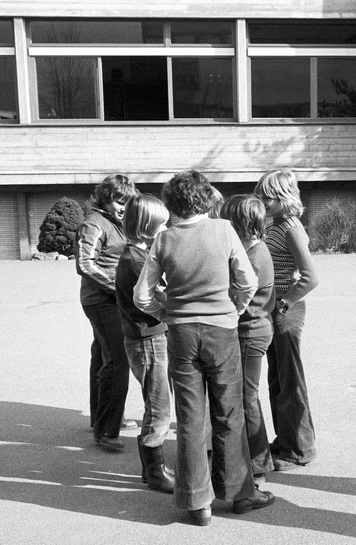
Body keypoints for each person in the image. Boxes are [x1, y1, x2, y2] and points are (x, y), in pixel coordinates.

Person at [133, 170, 274, 526]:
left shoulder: (163, 239)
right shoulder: (224, 229)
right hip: (222, 332)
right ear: (206, 199)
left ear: (173, 203)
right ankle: (241, 494)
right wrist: (235, 308)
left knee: (191, 419)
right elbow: (248, 281)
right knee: (230, 413)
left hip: (181, 334)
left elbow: (141, 295)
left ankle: (199, 503)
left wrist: (164, 310)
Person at [254, 170, 319, 471]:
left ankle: (299, 451)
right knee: (277, 380)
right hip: (273, 311)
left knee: (291, 384)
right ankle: (285, 441)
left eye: (267, 196)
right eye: (259, 194)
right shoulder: (275, 223)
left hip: (285, 313)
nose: (261, 200)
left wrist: (283, 303)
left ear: (283, 198)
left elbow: (310, 278)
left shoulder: (291, 228)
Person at [76, 174, 142, 450]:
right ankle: (106, 429)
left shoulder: (118, 223)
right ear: (105, 197)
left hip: (112, 299)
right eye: (118, 201)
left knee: (102, 356)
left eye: (127, 202)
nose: (123, 207)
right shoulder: (94, 223)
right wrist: (119, 289)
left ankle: (99, 419)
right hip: (102, 301)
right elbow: (85, 264)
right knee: (117, 360)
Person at [114, 193, 175, 493]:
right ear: (148, 226)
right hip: (147, 341)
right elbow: (154, 299)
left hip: (146, 339)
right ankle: (155, 472)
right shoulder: (134, 262)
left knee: (156, 404)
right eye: (161, 225)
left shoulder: (138, 256)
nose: (165, 230)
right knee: (159, 408)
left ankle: (151, 468)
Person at [220, 194, 276, 484]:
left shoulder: (253, 256)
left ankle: (258, 465)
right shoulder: (254, 248)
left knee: (247, 397)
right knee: (247, 396)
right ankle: (255, 460)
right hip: (255, 329)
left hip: (250, 333)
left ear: (239, 223)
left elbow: (237, 297)